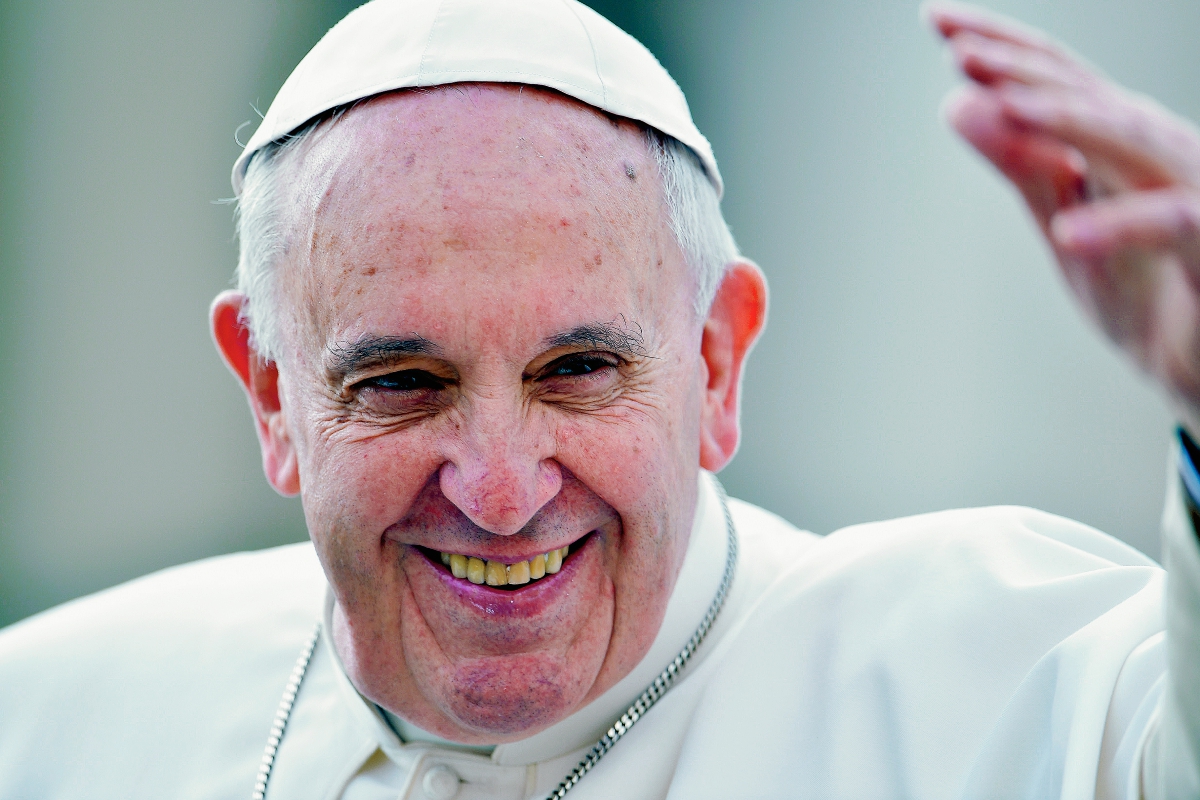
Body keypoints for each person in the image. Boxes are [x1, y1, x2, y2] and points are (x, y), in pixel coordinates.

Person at [1, 0, 1198, 797]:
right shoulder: (50, 719)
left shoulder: (981, 673)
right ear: (271, 396)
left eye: (577, 371)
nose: (503, 491)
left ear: (719, 364)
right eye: (403, 383)